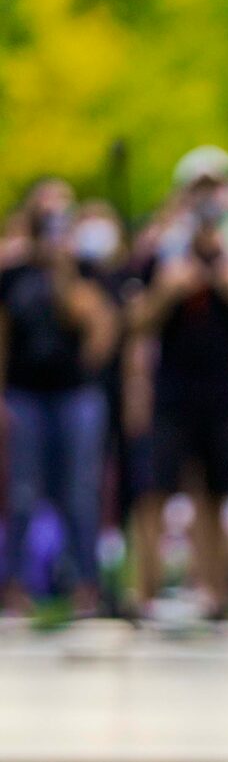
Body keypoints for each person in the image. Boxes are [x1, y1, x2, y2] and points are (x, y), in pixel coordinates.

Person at [129, 150, 228, 617]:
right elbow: (135, 323)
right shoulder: (161, 252)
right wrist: (167, 291)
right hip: (172, 389)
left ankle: (217, 592)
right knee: (155, 492)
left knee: (217, 494)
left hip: (222, 389)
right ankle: (145, 592)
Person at [0, 181, 119, 613]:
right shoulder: (12, 274)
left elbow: (98, 332)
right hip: (24, 394)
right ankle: (14, 584)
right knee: (22, 493)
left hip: (75, 394)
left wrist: (63, 271)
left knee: (81, 492)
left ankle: (84, 584)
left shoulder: (86, 270)